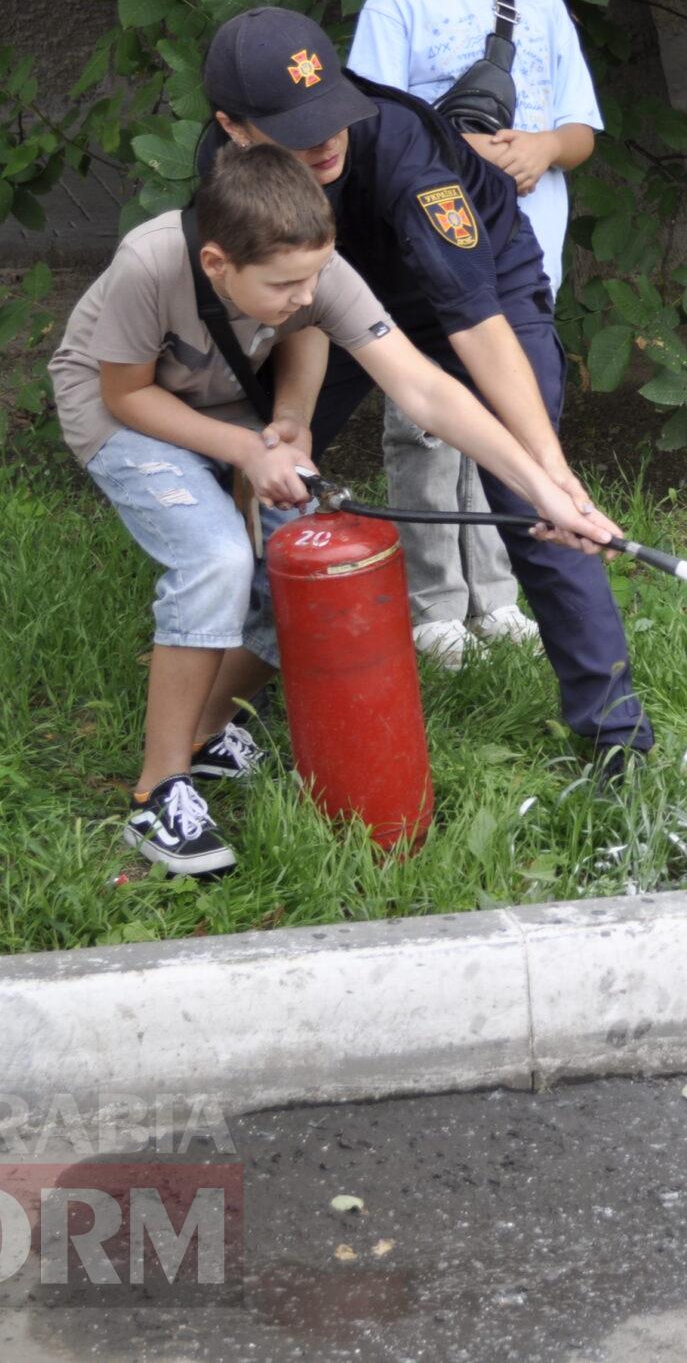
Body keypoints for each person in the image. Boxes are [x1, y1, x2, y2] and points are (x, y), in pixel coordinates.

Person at [49, 141, 619, 876]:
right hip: (121, 417)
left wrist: (549, 490)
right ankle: (159, 791)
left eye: (318, 274)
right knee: (218, 555)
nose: (309, 293)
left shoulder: (311, 273)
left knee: (303, 568)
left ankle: (211, 731)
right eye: (288, 282)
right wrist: (247, 450)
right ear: (219, 265)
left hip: (231, 407)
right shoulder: (151, 262)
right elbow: (124, 393)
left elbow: (426, 389)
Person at [195, 5, 657, 774]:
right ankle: (234, 696)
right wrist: (291, 418)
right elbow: (300, 299)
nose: (325, 138)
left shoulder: (400, 143)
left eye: (331, 111)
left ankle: (617, 739)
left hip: (483, 287)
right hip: (340, 299)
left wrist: (552, 475)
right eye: (296, 124)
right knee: (243, 460)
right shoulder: (224, 174)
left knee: (532, 501)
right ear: (233, 129)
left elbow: (474, 323)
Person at [347, 0, 605, 670]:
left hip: (526, 257)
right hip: (431, 258)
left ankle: (496, 596)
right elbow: (374, 132)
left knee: (508, 415)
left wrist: (541, 149)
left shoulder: (542, 2)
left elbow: (580, 131)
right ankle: (434, 606)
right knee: (426, 428)